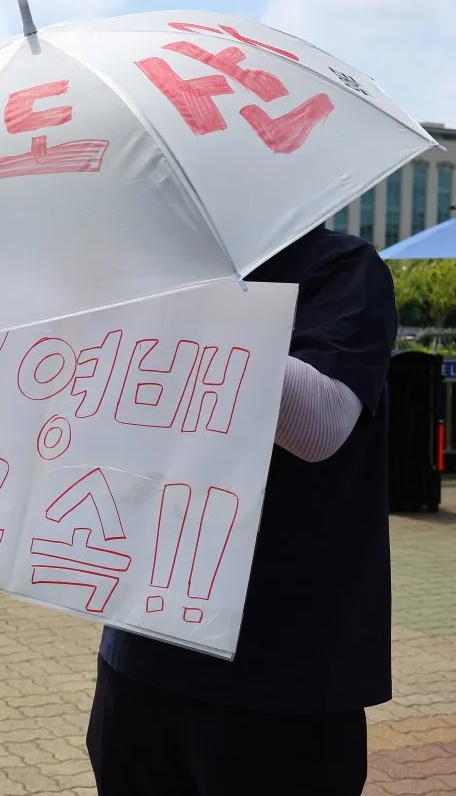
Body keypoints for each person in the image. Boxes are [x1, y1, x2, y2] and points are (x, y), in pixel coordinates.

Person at [87, 225, 397, 796]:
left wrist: (183, 311)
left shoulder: (340, 266)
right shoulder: (156, 266)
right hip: (142, 649)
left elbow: (321, 424)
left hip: (280, 671)